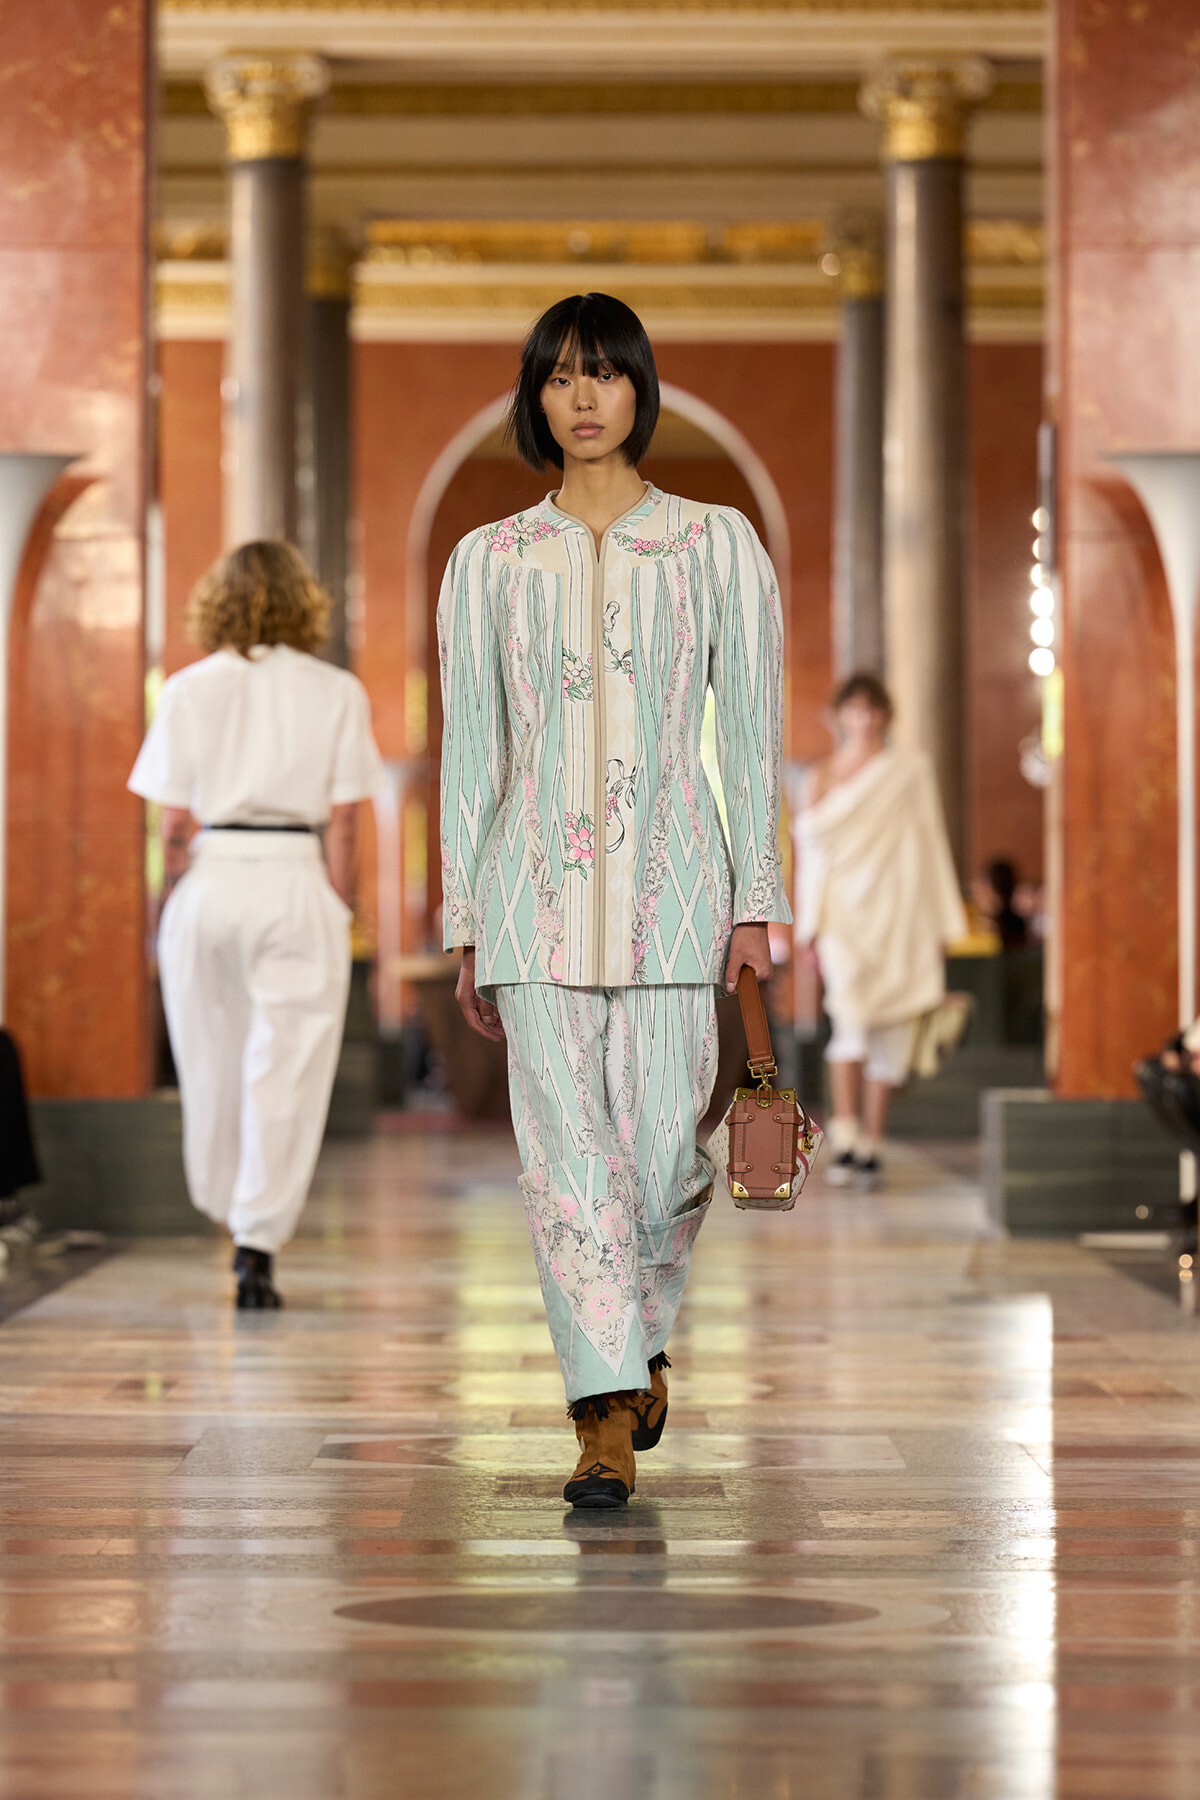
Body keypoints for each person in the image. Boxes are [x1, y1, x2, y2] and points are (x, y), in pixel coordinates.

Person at [438, 292, 790, 1508]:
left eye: (604, 375)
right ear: (535, 399)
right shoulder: (487, 562)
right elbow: (471, 751)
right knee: (564, 1165)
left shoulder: (715, 545)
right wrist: (465, 922)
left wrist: (757, 896)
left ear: (641, 386)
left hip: (678, 898)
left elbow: (750, 736)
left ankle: (636, 1345)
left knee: (659, 1164)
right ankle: (599, 1416)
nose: (582, 399)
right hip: (529, 901)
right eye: (557, 378)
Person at [128, 542, 383, 1308]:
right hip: (294, 875)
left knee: (209, 1059)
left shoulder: (186, 688)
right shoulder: (336, 690)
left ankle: (223, 1204)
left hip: (211, 878)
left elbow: (172, 822)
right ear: (303, 602)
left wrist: (167, 903)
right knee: (290, 1066)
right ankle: (257, 1240)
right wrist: (342, 905)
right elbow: (344, 822)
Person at [798, 672, 966, 1190]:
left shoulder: (909, 769)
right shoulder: (820, 775)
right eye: (854, 708)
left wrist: (941, 924)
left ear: (885, 715)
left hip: (898, 912)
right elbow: (810, 858)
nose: (864, 719)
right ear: (839, 715)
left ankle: (872, 1142)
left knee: (890, 1030)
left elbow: (931, 842)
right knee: (849, 1018)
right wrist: (806, 926)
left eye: (873, 709)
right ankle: (844, 1134)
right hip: (843, 917)